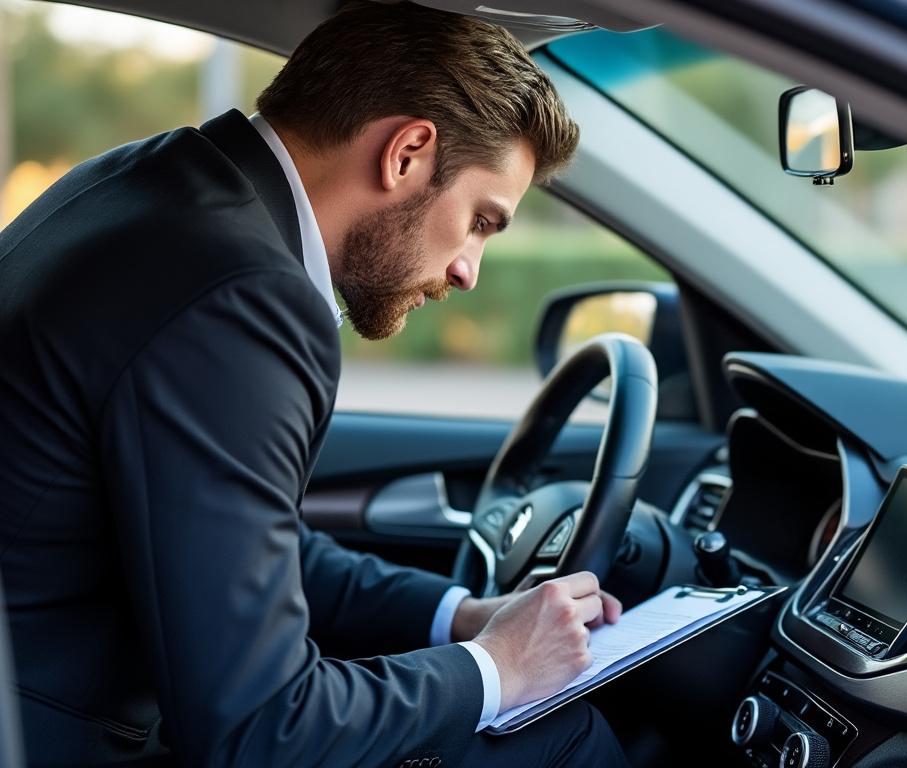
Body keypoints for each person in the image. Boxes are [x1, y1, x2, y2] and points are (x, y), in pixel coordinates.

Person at [0, 2, 629, 765]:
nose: (468, 270)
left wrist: (464, 618)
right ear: (407, 154)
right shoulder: (240, 293)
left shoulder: (147, 179)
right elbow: (261, 729)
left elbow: (241, 542)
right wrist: (501, 668)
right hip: (56, 739)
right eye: (482, 221)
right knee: (564, 739)